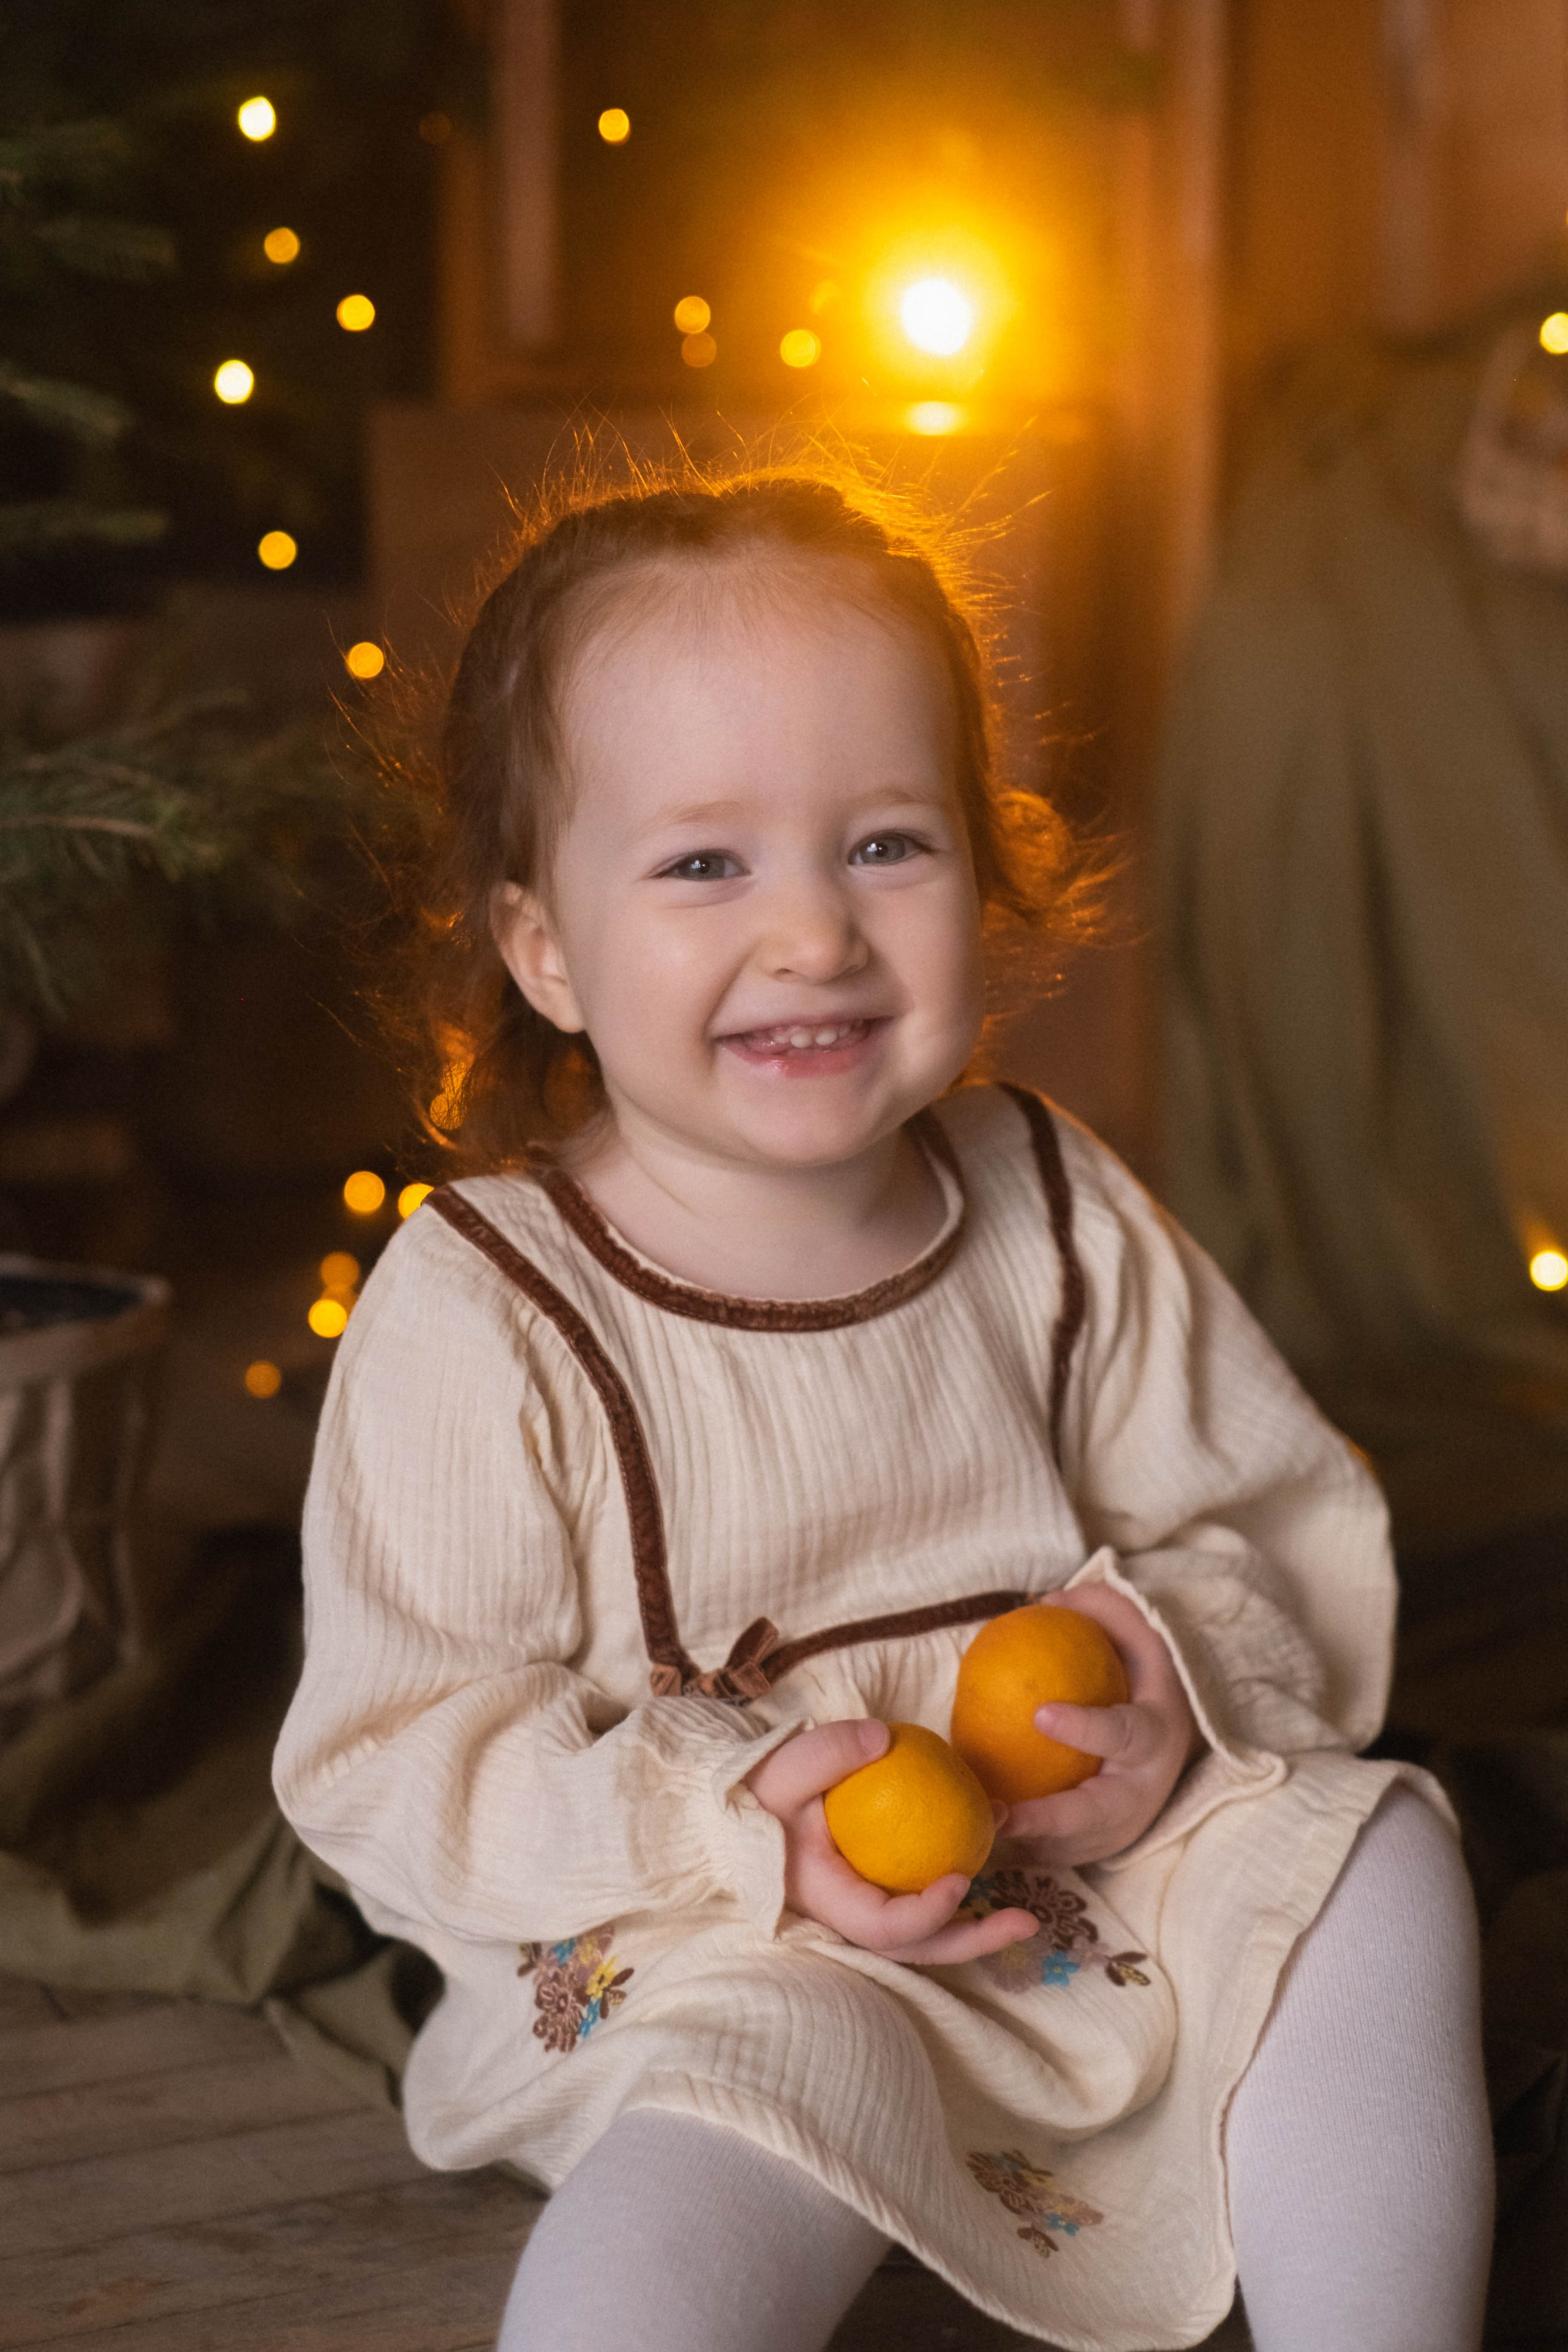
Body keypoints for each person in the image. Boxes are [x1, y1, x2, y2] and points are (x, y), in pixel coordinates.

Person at [273, 471, 1493, 2352]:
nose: (816, 936)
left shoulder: (1047, 1196)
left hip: (1094, 1871)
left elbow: (1261, 1516)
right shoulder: (490, 1301)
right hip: (732, 1929)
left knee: (1380, 1850)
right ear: (544, 948)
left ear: (987, 866)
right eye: (704, 865)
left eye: (888, 845)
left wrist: (1171, 1677)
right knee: (768, 2086)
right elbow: (394, 1753)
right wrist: (729, 1816)